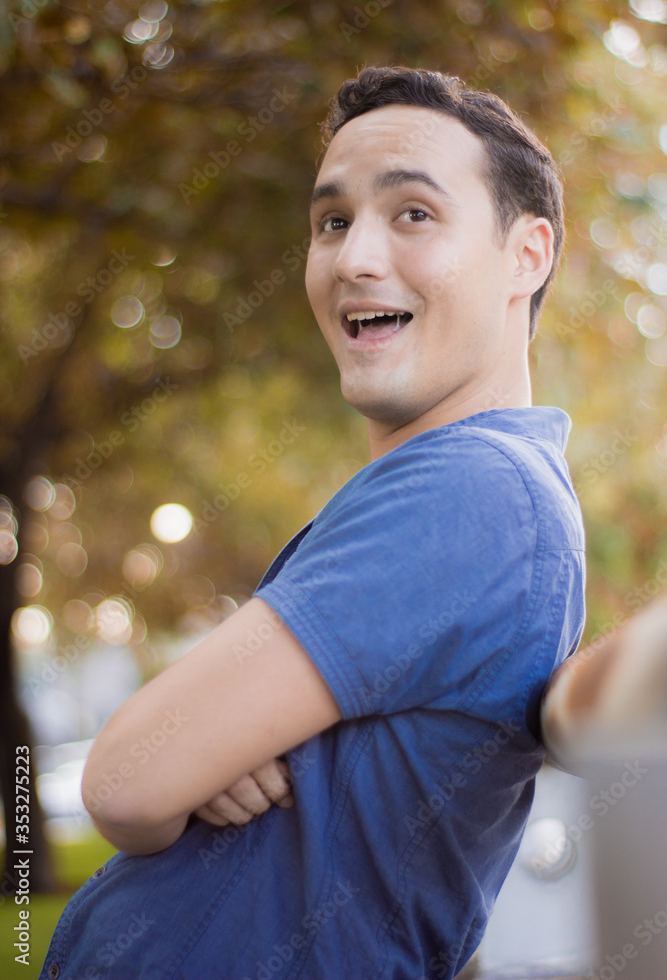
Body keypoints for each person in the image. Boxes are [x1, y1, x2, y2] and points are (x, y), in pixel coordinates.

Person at [39, 65, 585, 980]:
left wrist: (191, 746)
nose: (354, 258)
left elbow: (125, 781)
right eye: (331, 222)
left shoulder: (473, 491)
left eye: (413, 213)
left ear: (525, 256)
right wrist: (209, 745)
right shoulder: (470, 486)